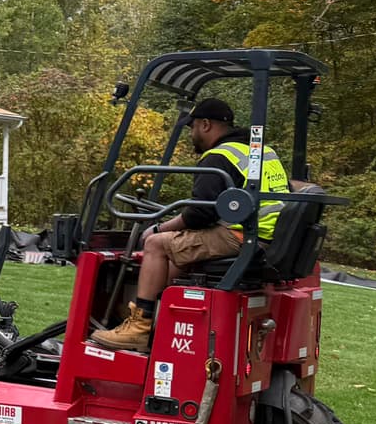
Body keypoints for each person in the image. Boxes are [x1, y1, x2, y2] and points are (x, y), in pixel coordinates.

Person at [90, 96, 289, 353]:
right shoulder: (261, 151)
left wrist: (159, 227)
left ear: (205, 124)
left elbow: (198, 215)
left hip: (242, 236)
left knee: (155, 244)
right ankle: (152, 320)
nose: (191, 133)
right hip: (263, 234)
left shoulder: (219, 157)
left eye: (192, 126)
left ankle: (138, 329)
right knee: (177, 252)